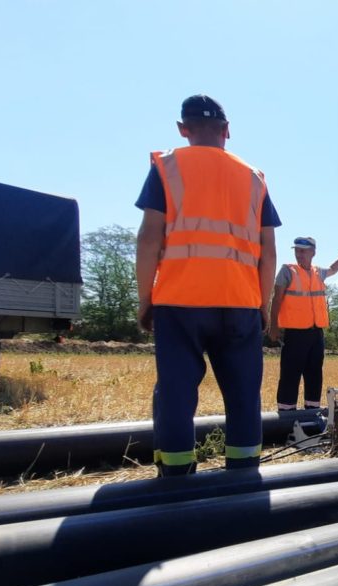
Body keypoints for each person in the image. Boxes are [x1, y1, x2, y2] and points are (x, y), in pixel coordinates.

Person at [135, 95, 280, 476]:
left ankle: (176, 478)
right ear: (227, 131)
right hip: (240, 303)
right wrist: (262, 306)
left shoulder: (167, 167)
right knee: (244, 396)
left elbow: (149, 238)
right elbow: (269, 253)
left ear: (183, 129)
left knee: (176, 395)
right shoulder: (254, 177)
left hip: (179, 301)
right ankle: (244, 474)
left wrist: (145, 299)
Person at [269, 237, 338, 410]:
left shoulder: (319, 272)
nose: (299, 254)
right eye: (296, 250)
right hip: (295, 333)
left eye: (303, 251)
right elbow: (276, 299)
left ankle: (312, 411)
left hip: (316, 332)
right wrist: (274, 326)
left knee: (314, 373)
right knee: (290, 374)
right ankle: (286, 413)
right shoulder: (287, 271)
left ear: (313, 252)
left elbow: (333, 268)